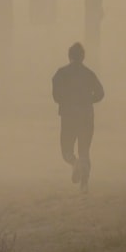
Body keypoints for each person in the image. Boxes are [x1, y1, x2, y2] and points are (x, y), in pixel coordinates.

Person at [52, 42, 104, 192]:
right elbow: (100, 93)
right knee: (84, 150)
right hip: (86, 117)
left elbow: (56, 96)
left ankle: (74, 164)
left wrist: (66, 101)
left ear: (69, 56)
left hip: (68, 117)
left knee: (66, 150)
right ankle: (84, 184)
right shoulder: (89, 74)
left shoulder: (60, 74)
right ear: (83, 57)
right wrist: (89, 100)